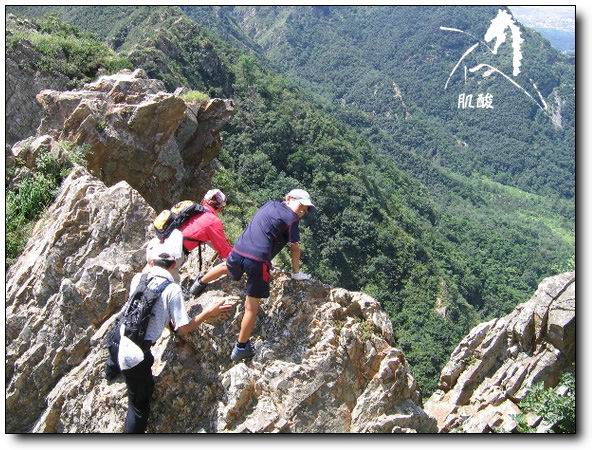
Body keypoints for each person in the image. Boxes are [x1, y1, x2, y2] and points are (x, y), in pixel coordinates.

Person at [120, 247, 233, 433]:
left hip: (125, 340)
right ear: (173, 265)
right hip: (136, 355)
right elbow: (183, 329)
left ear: (151, 263)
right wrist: (208, 313)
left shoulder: (138, 278)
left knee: (144, 378)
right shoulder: (172, 289)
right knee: (138, 407)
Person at [226, 189, 314, 362]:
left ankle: (200, 282)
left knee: (227, 267)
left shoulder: (270, 205)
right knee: (251, 308)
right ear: (289, 198)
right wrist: (296, 273)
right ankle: (241, 347)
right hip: (257, 261)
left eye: (305, 210)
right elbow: (295, 248)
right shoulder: (292, 219)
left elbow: (264, 228)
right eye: (301, 206)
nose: (302, 212)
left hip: (238, 250)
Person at [145, 189, 233, 284]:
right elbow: (225, 251)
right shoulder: (213, 221)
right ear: (220, 207)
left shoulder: (193, 211)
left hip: (157, 244)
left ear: (205, 200)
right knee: (167, 287)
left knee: (144, 281)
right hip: (172, 253)